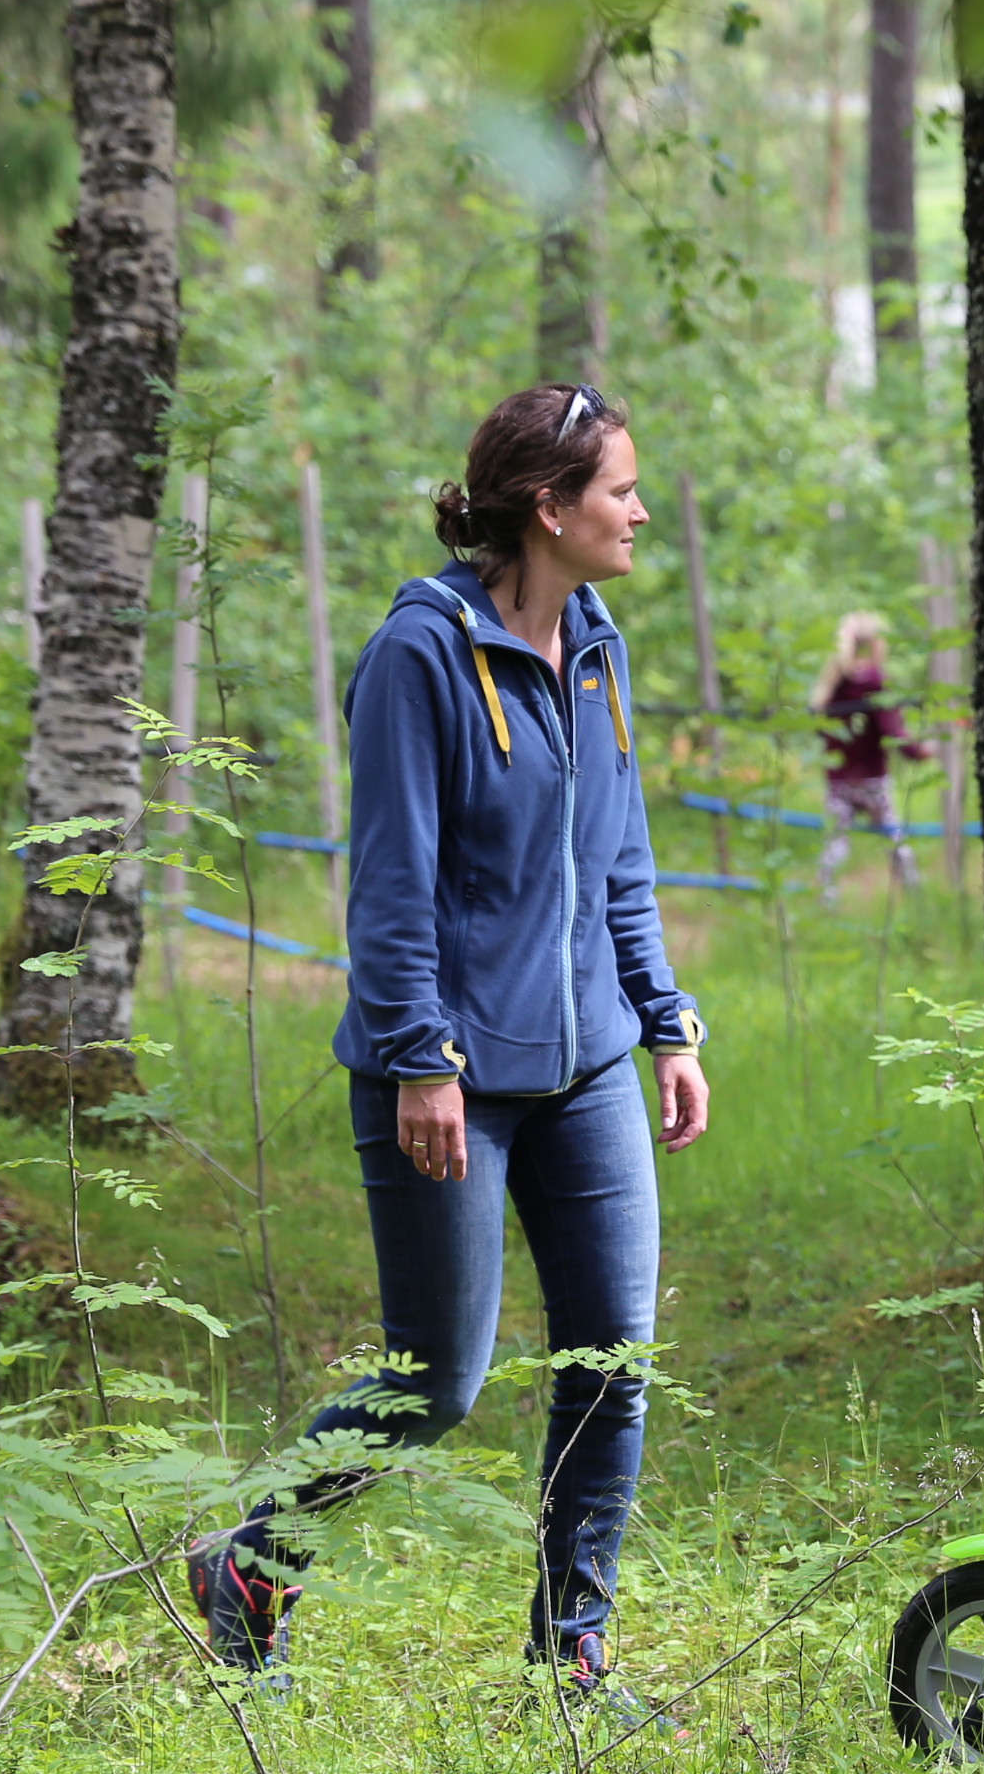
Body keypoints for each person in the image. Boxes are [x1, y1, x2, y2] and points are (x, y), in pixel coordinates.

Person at [186, 382, 710, 1703]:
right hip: (452, 1077)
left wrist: (665, 1026)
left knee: (613, 1368)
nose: (640, 511)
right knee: (439, 1379)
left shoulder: (597, 645)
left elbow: (622, 861)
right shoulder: (420, 655)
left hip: (587, 1060)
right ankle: (253, 1559)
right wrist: (422, 1056)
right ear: (549, 508)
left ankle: (574, 1651)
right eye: (619, 492)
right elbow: (392, 883)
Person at [808, 611, 932, 892]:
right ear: (877, 643)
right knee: (894, 840)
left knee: (835, 843)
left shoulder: (832, 682)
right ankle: (915, 895)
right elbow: (893, 731)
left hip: (838, 781)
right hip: (873, 781)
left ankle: (826, 897)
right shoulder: (876, 681)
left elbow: (819, 727)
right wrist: (920, 752)